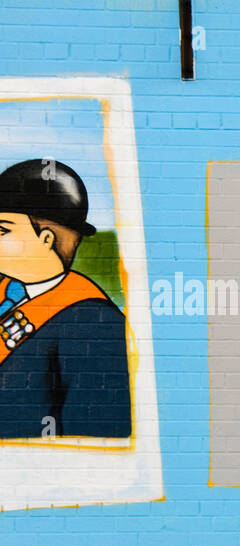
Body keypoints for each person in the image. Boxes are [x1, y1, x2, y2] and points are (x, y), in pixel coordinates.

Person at [0, 158, 130, 439]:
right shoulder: (6, 291)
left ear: (46, 239)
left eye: (2, 230)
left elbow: (97, 432)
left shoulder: (94, 323)